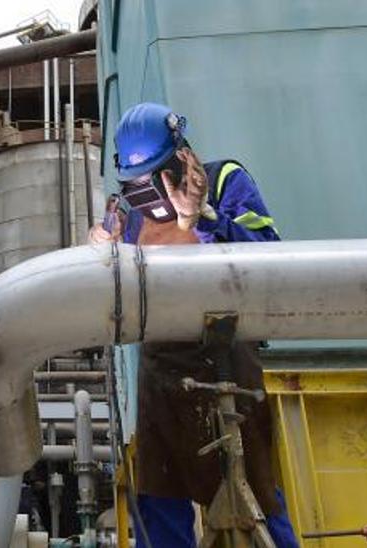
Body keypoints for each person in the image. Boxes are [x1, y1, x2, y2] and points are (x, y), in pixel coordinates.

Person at [90, 103, 298, 547]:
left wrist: (204, 218)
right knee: (158, 498)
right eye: (137, 182)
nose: (149, 190)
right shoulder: (130, 218)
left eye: (157, 174)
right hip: (160, 366)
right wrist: (103, 258)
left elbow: (268, 252)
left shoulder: (224, 181)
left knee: (258, 492)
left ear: (182, 155)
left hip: (227, 355)